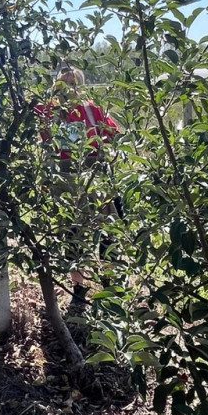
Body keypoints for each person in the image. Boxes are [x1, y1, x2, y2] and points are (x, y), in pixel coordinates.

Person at [34, 66, 122, 301]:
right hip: (66, 177)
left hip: (94, 175)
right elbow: (35, 117)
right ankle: (79, 289)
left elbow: (114, 132)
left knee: (106, 232)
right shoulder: (50, 110)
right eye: (63, 84)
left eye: (72, 84)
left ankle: (109, 286)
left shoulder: (91, 108)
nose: (67, 89)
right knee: (72, 233)